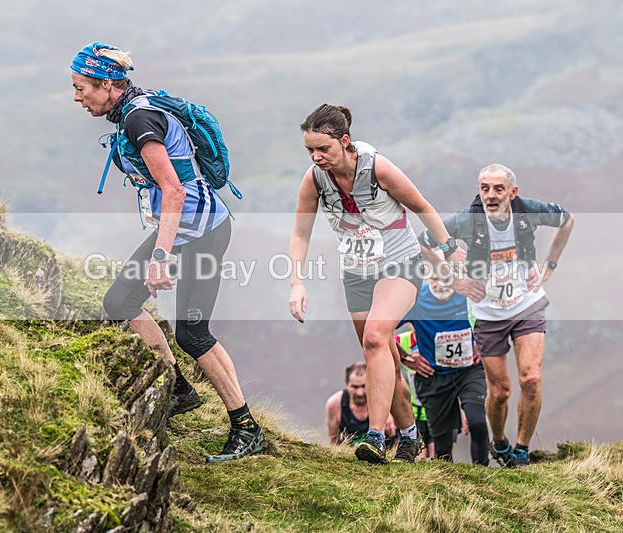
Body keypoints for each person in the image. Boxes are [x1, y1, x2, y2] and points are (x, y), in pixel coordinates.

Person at [70, 42, 266, 463]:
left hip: (202, 231)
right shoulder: (133, 111)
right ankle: (179, 389)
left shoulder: (140, 118)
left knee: (192, 332)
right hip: (184, 230)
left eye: (81, 87)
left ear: (108, 84)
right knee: (120, 301)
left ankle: (246, 428)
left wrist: (160, 257)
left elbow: (173, 190)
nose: (76, 96)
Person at [288, 103, 463, 464]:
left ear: (345, 141)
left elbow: (421, 206)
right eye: (310, 150)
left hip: (401, 265)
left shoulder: (377, 167)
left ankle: (375, 437)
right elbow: (300, 234)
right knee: (386, 358)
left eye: (324, 149)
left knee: (373, 339)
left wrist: (449, 249)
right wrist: (297, 284)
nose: (316, 157)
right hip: (357, 272)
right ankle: (411, 436)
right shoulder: (314, 179)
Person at [419, 163, 574, 467]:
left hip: (527, 303)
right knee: (500, 391)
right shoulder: (467, 220)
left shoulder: (528, 211)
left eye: (498, 189)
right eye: (485, 188)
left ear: (513, 192)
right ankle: (499, 441)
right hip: (488, 312)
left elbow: (566, 221)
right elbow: (423, 242)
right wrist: (454, 280)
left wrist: (550, 264)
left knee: (531, 378)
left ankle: (522, 449)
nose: (490, 195)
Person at [396, 274, 490, 465]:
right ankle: (445, 481)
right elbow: (381, 328)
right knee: (443, 444)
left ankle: (484, 475)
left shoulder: (469, 293)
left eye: (446, 277)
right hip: (433, 375)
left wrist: (482, 343)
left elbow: (496, 317)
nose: (440, 284)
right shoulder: (415, 299)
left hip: (469, 370)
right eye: (434, 278)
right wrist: (406, 358)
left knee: (477, 422)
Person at [325, 362, 398, 448]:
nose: (359, 393)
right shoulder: (335, 404)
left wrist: (388, 414)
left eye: (364, 386)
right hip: (351, 455)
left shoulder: (387, 399)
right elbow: (333, 444)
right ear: (346, 384)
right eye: (355, 387)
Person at [395, 331, 435, 460]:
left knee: (440, 457)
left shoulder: (439, 335)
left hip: (436, 410)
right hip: (410, 412)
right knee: (416, 458)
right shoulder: (400, 341)